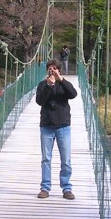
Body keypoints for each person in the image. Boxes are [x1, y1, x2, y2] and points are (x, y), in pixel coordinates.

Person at [35, 58, 77, 200]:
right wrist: (48, 86)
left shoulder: (64, 85)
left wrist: (61, 80)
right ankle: (45, 188)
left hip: (63, 127)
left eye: (54, 68)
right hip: (46, 126)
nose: (52, 71)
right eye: (50, 69)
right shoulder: (42, 85)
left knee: (66, 159)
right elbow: (39, 101)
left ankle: (67, 188)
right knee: (46, 159)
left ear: (59, 70)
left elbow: (73, 94)